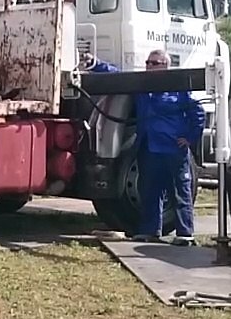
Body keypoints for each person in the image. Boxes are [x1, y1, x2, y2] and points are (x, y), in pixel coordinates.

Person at [81, 49, 204, 246]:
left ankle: (185, 233)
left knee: (180, 190)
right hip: (149, 146)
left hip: (173, 149)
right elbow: (118, 75)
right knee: (150, 190)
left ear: (165, 65)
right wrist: (96, 64)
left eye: (154, 63)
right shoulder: (143, 86)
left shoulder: (178, 87)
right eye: (148, 62)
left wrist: (189, 137)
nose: (149, 66)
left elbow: (198, 112)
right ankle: (150, 231)